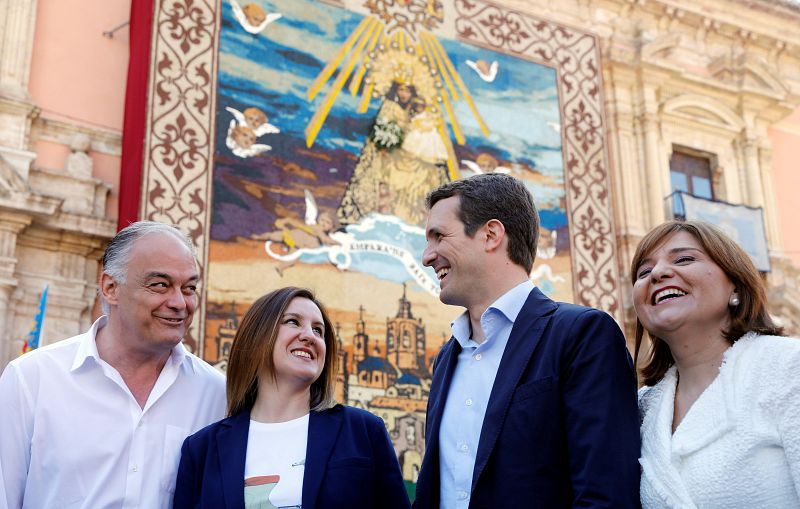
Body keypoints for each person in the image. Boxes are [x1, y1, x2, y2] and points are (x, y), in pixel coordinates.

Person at [414, 174, 640, 508]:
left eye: (438, 237)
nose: (427, 256)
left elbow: (606, 493)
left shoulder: (581, 335)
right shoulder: (446, 358)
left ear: (491, 235)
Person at [0, 221, 226, 508]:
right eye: (160, 285)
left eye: (189, 287)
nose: (179, 302)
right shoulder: (31, 379)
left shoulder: (215, 393)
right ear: (110, 287)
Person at [173, 286, 410, 509]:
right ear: (257, 337)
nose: (310, 336)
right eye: (293, 322)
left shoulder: (363, 431)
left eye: (318, 330)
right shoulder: (202, 449)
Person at [631, 220, 799, 508]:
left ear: (735, 284)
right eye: (644, 272)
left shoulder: (788, 367)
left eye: (684, 259)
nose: (657, 273)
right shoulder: (641, 409)